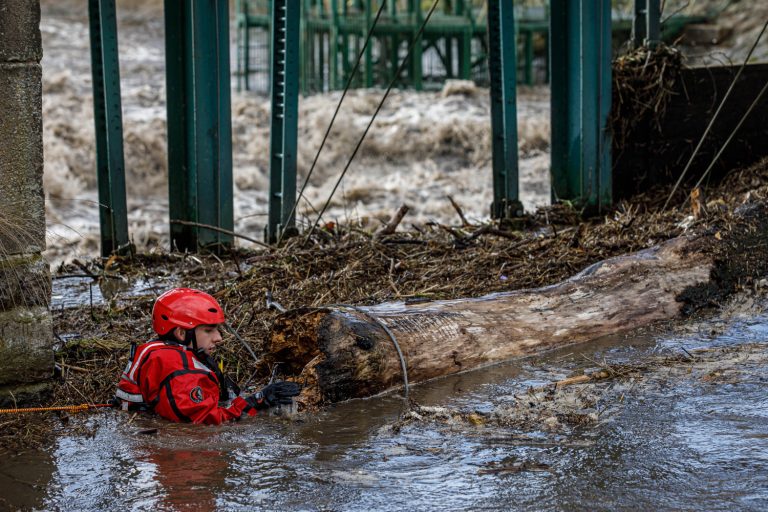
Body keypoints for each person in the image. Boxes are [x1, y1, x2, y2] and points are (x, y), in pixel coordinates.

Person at [115, 287, 299, 424]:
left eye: (217, 330)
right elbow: (205, 423)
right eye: (209, 331)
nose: (218, 338)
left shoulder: (161, 350)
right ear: (181, 333)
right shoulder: (176, 366)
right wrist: (259, 400)